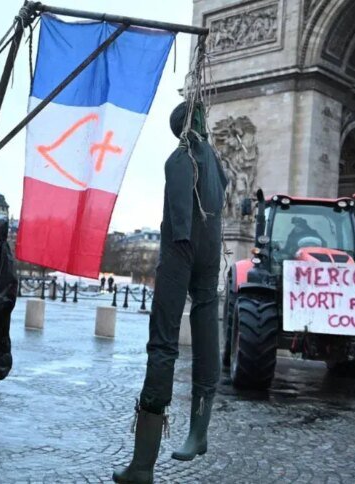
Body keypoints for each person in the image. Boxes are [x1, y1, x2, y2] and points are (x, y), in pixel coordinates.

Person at [113, 101, 227, 483]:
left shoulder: (180, 159)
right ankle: (199, 431)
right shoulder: (216, 163)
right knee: (207, 331)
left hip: (181, 251)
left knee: (162, 346)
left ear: (179, 128)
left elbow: (180, 216)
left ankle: (143, 464)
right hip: (212, 252)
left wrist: (179, 246)